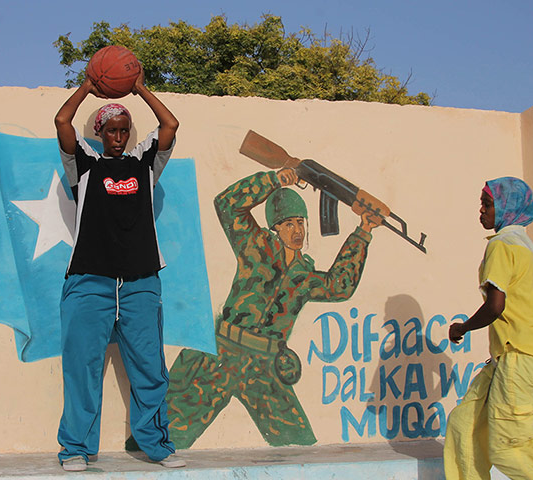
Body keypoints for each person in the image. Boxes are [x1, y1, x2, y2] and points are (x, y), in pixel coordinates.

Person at [163, 167, 385, 448]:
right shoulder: (255, 246)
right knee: (168, 433)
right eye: (288, 224)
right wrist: (273, 180)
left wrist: (364, 231)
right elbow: (227, 205)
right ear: (275, 227)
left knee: (298, 444)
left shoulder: (304, 276)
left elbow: (339, 286)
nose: (297, 231)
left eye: (300, 223)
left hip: (265, 366)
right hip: (223, 354)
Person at [54, 69, 185, 472]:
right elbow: (62, 122)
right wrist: (89, 88)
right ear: (100, 131)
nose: (118, 136)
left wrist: (139, 87)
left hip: (140, 280)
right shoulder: (86, 165)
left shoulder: (145, 163)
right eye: (111, 129)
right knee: (82, 366)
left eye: (124, 129)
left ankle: (156, 446)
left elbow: (170, 124)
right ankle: (76, 448)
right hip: (89, 279)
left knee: (149, 367)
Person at [444, 177, 533, 480]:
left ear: (506, 208)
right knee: (464, 425)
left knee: (509, 449)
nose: (482, 211)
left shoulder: (502, 245)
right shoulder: (526, 246)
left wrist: (463, 327)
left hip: (518, 358)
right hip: (510, 357)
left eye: (487, 204)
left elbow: (495, 306)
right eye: (482, 204)